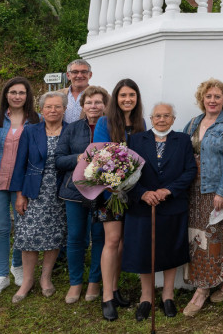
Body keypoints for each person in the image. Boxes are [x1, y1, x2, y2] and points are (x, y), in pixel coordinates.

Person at [123, 103, 197, 322]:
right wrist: (143, 193)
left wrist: (169, 190)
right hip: (143, 206)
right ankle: (146, 297)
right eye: (158, 116)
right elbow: (126, 172)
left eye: (167, 116)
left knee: (170, 249)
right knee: (143, 251)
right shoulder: (136, 140)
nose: (162, 119)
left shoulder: (182, 140)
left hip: (172, 204)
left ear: (173, 119)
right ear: (151, 118)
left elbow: (190, 170)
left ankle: (168, 295)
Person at [181, 79, 223, 317]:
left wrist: (222, 192)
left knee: (216, 237)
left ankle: (203, 290)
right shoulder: (193, 123)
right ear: (202, 99)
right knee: (198, 240)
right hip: (192, 189)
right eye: (209, 96)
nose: (213, 100)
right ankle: (220, 280)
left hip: (215, 190)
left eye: (217, 96)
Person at [0, 76, 40, 298]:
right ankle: (1, 276)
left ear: (28, 96)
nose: (17, 96)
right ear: (6, 94)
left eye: (21, 93)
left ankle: (17, 267)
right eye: (13, 92)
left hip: (20, 185)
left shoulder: (36, 121)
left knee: (21, 227)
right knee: (1, 228)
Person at [9, 91, 69, 303]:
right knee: (28, 237)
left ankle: (45, 278)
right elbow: (20, 164)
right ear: (42, 110)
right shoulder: (31, 131)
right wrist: (19, 195)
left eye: (58, 106)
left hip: (60, 192)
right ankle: (27, 281)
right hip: (33, 191)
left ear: (64, 109)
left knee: (54, 236)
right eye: (48, 107)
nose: (53, 110)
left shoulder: (71, 130)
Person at [93, 79, 145, 313]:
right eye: (123, 95)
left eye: (132, 95)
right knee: (112, 240)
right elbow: (99, 156)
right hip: (109, 191)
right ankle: (106, 297)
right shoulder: (105, 122)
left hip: (133, 191)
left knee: (123, 241)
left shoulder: (140, 122)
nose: (127, 99)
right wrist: (111, 184)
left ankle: (114, 289)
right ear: (116, 97)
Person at [55, 86, 109, 312]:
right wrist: (78, 158)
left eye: (98, 102)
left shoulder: (110, 127)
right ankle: (75, 283)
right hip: (74, 193)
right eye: (89, 102)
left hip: (104, 194)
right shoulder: (72, 129)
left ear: (105, 105)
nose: (93, 106)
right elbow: (58, 159)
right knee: (76, 238)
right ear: (83, 106)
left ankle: (94, 282)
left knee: (100, 237)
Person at [63, 59, 93, 124]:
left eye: (84, 72)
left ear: (90, 75)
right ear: (68, 75)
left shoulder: (100, 95)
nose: (79, 75)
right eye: (75, 72)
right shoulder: (59, 94)